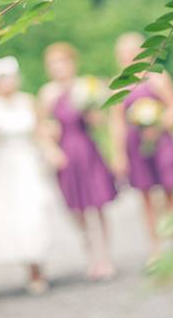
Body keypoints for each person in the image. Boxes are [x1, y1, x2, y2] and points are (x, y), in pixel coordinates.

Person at [0, 56, 65, 296]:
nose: (6, 83)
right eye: (1, 79)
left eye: (9, 77)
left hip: (27, 162)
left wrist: (52, 151)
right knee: (2, 216)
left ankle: (36, 269)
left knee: (32, 212)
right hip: (0, 166)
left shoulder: (28, 102)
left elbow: (39, 131)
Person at [38, 42, 117, 280]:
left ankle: (105, 256)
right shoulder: (47, 93)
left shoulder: (85, 87)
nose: (58, 67)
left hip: (87, 148)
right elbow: (41, 127)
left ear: (72, 63)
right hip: (65, 154)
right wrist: (51, 149)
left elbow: (100, 122)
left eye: (62, 62)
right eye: (53, 64)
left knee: (98, 204)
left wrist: (93, 114)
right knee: (76, 208)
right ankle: (90, 253)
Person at [110, 33, 173, 261]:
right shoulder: (118, 85)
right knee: (146, 199)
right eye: (123, 53)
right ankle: (156, 250)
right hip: (136, 147)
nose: (128, 56)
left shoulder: (158, 78)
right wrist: (118, 154)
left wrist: (159, 124)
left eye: (132, 51)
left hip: (163, 143)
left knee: (172, 196)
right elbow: (116, 123)